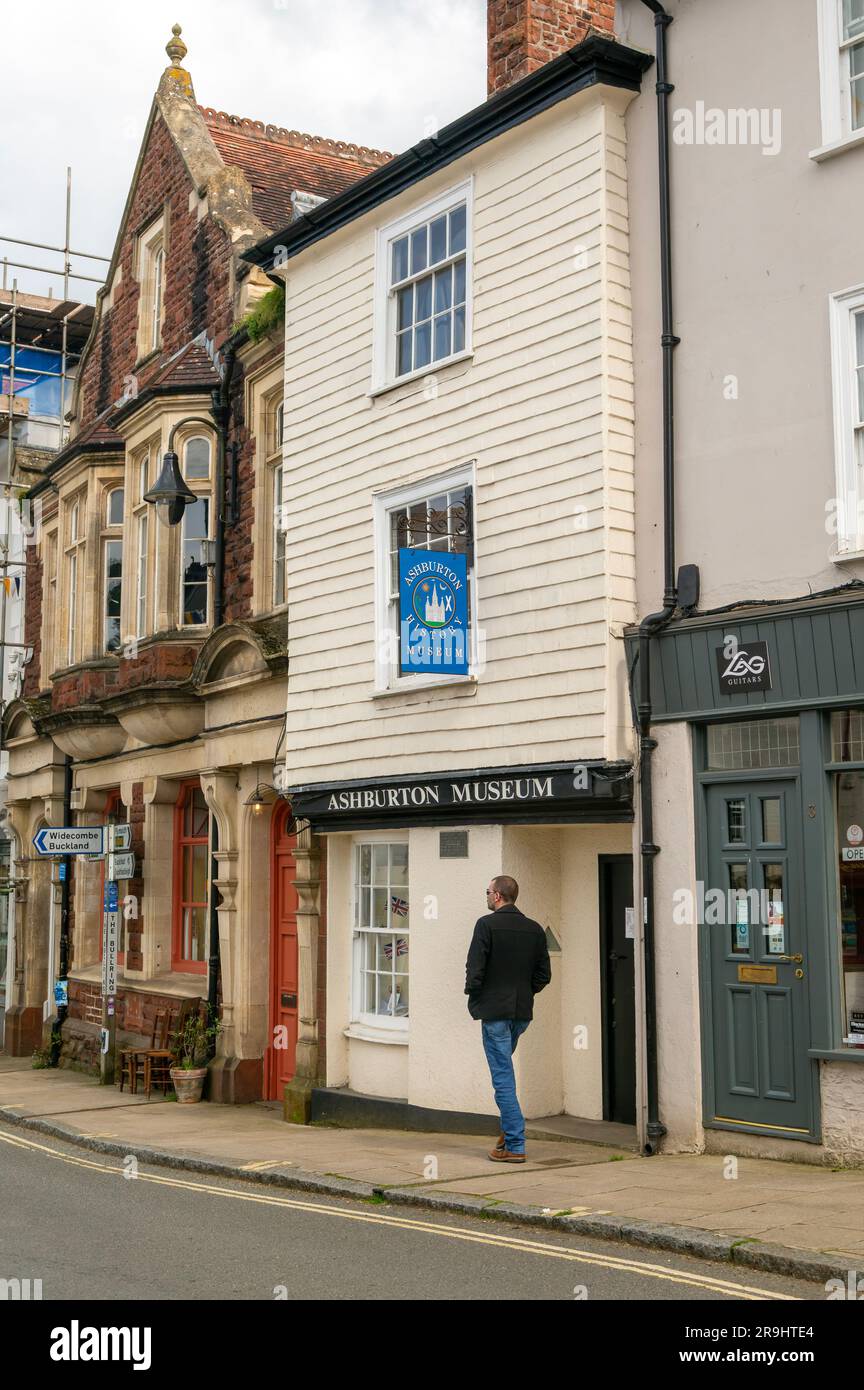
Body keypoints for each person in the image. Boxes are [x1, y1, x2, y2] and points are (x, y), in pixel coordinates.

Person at [464, 875, 552, 1163]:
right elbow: (543, 976)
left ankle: (515, 1144)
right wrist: (525, 993)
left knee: (503, 1080)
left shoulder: (486, 925)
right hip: (521, 1014)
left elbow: (474, 969)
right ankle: (505, 1139)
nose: (486, 896)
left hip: (495, 1014)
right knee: (504, 1074)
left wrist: (476, 997)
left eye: (488, 891)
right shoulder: (534, 929)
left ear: (498, 896)